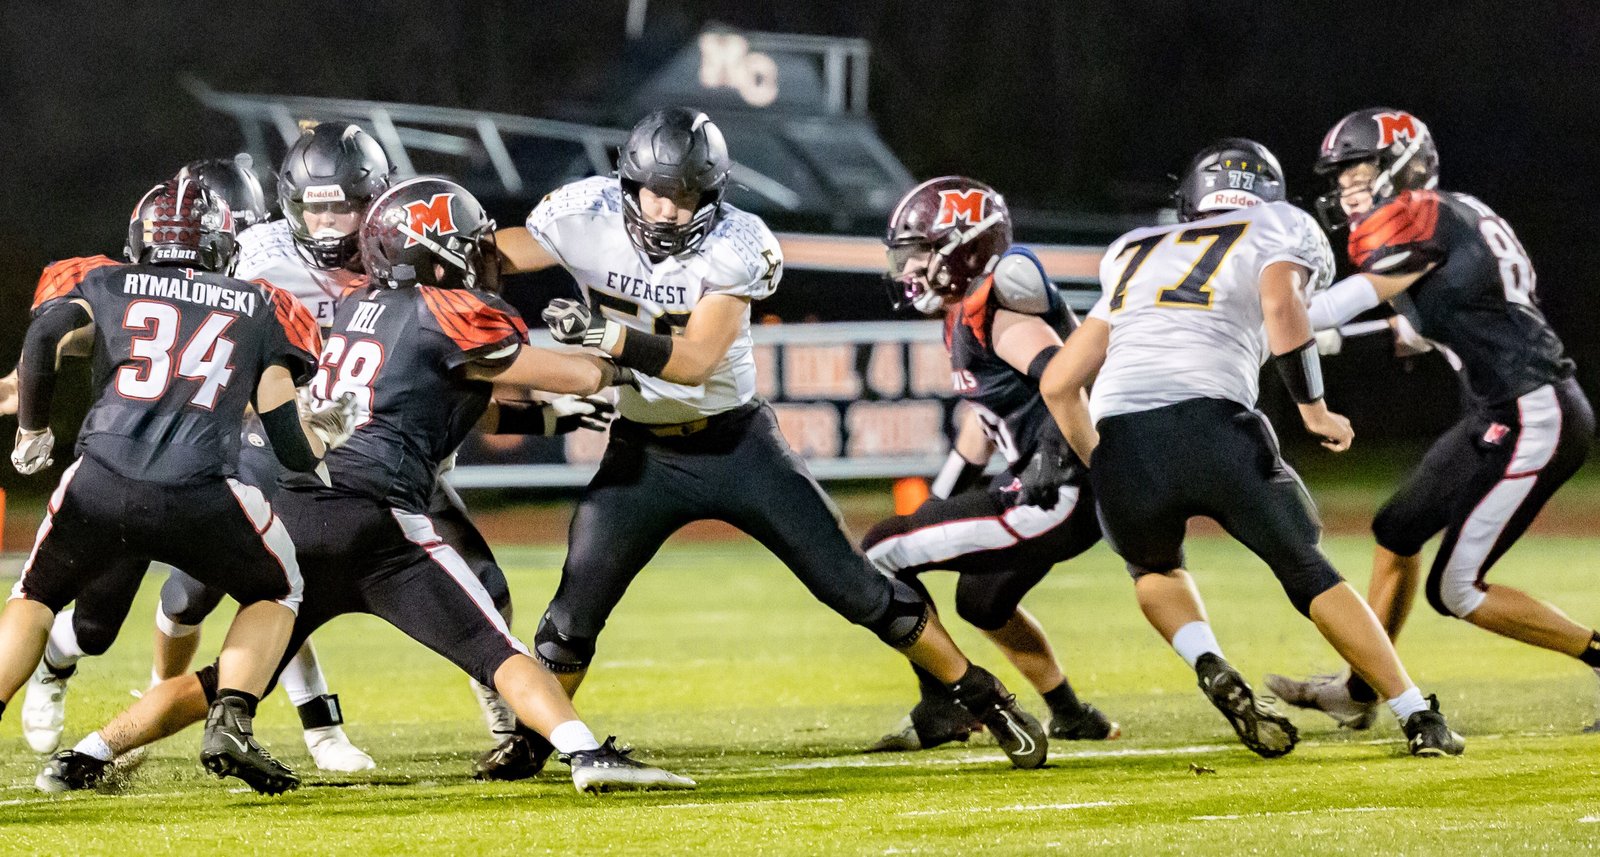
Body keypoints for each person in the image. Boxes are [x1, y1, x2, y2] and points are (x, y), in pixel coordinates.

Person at [35, 177, 694, 796]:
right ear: (437, 250)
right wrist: (626, 364)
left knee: (227, 677)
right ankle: (585, 753)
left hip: (294, 507)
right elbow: (574, 377)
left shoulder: (352, 305)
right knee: (498, 647)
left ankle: (87, 753)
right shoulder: (455, 312)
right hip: (379, 521)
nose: (477, 255)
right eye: (465, 243)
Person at [485, 107, 1050, 775]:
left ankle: (981, 694)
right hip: (643, 448)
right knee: (575, 605)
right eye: (657, 192)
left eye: (687, 195)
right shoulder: (581, 212)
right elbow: (488, 257)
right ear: (628, 184)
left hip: (737, 443)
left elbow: (694, 360)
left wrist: (603, 336)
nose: (669, 210)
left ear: (713, 193)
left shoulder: (739, 240)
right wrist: (451, 277)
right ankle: (533, 736)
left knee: (856, 588)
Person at [1040, 138, 1464, 757]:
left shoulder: (1132, 251)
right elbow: (1282, 305)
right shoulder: (1279, 224)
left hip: (1123, 433)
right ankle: (1415, 714)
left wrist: (1102, 461)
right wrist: (1313, 408)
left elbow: (1058, 383)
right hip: (1215, 421)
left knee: (1154, 569)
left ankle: (1209, 662)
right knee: (1307, 570)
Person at [11, 130, 390, 772]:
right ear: (225, 241)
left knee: (35, 597)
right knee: (277, 587)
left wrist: (32, 427)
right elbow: (294, 450)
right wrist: (328, 430)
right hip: (199, 486)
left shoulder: (107, 282)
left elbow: (48, 331)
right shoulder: (261, 304)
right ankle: (233, 719)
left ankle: (316, 725)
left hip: (103, 474)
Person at [1264, 108, 1597, 730]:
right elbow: (1411, 331)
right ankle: (1362, 691)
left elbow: (1340, 304)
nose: (1347, 189)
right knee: (1396, 530)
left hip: (1535, 410)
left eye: (1358, 172)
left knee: (1458, 589)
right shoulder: (1454, 216)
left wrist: (1267, 321)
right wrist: (1316, 337)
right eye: (1342, 178)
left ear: (1403, 164)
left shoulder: (1425, 217)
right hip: (1505, 408)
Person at [861, 176, 1117, 753]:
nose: (910, 267)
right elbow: (982, 423)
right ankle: (1071, 713)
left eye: (922, 251)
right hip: (1054, 491)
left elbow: (1070, 376)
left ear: (963, 247)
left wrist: (1054, 453)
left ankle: (943, 707)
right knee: (981, 600)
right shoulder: (962, 315)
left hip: (1058, 492)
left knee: (880, 550)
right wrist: (939, 499)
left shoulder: (1001, 312)